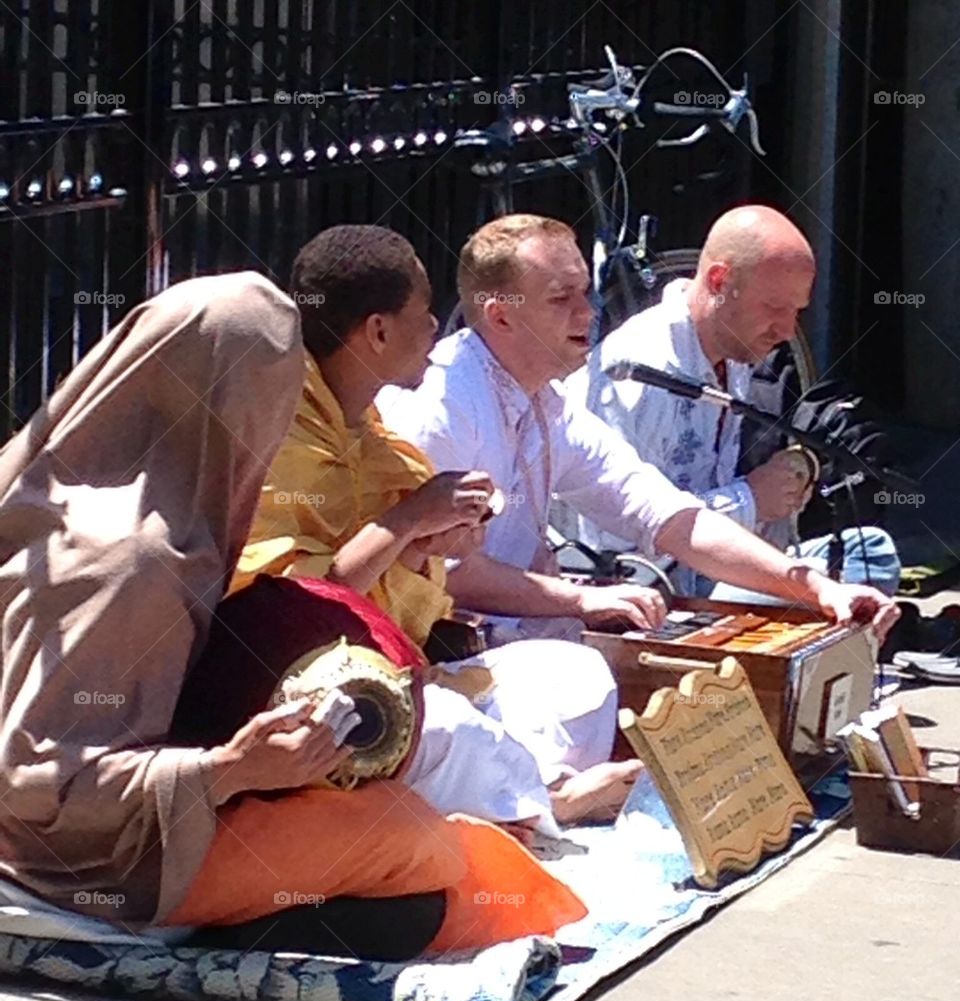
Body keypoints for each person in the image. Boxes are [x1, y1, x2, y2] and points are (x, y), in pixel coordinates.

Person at [0, 271, 586, 959]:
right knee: (420, 850)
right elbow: (39, 788)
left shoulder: (60, 486)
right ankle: (204, 936)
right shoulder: (132, 559)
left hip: (145, 803)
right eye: (275, 396)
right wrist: (231, 769)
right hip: (78, 863)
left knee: (407, 818)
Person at [236, 225, 642, 831]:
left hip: (404, 671)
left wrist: (428, 542)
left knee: (572, 672)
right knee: (452, 732)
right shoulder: (283, 440)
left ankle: (519, 798)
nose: (436, 329)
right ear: (377, 331)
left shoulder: (370, 428)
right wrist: (405, 521)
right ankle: (544, 803)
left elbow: (395, 590)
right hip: (311, 700)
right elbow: (299, 613)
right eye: (423, 315)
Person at [376, 213, 899, 643]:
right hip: (451, 649)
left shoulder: (546, 402)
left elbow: (661, 511)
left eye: (585, 292)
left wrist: (815, 589)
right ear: (502, 316)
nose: (589, 312)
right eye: (562, 299)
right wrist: (582, 599)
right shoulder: (442, 406)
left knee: (862, 561)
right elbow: (445, 572)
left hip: (541, 627)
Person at [564, 204, 902, 600]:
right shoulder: (636, 373)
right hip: (651, 593)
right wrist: (751, 499)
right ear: (719, 281)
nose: (786, 330)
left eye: (797, 312)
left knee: (870, 552)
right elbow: (613, 545)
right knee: (849, 582)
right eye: (775, 308)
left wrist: (791, 478)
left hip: (715, 568)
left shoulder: (735, 352)